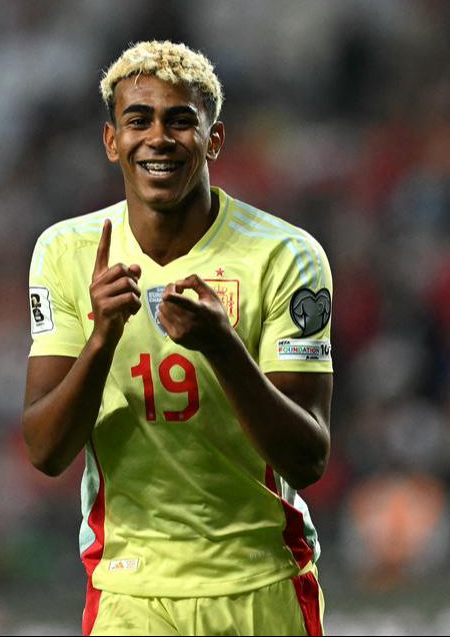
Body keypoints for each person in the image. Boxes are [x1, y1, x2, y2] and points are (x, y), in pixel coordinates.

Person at [23, 41, 333, 636]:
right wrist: (101, 339)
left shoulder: (285, 255)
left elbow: (307, 457)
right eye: (138, 120)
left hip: (259, 580)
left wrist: (223, 347)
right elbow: (45, 451)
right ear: (112, 140)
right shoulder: (64, 251)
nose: (158, 138)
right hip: (129, 588)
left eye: (180, 120)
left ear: (213, 140)